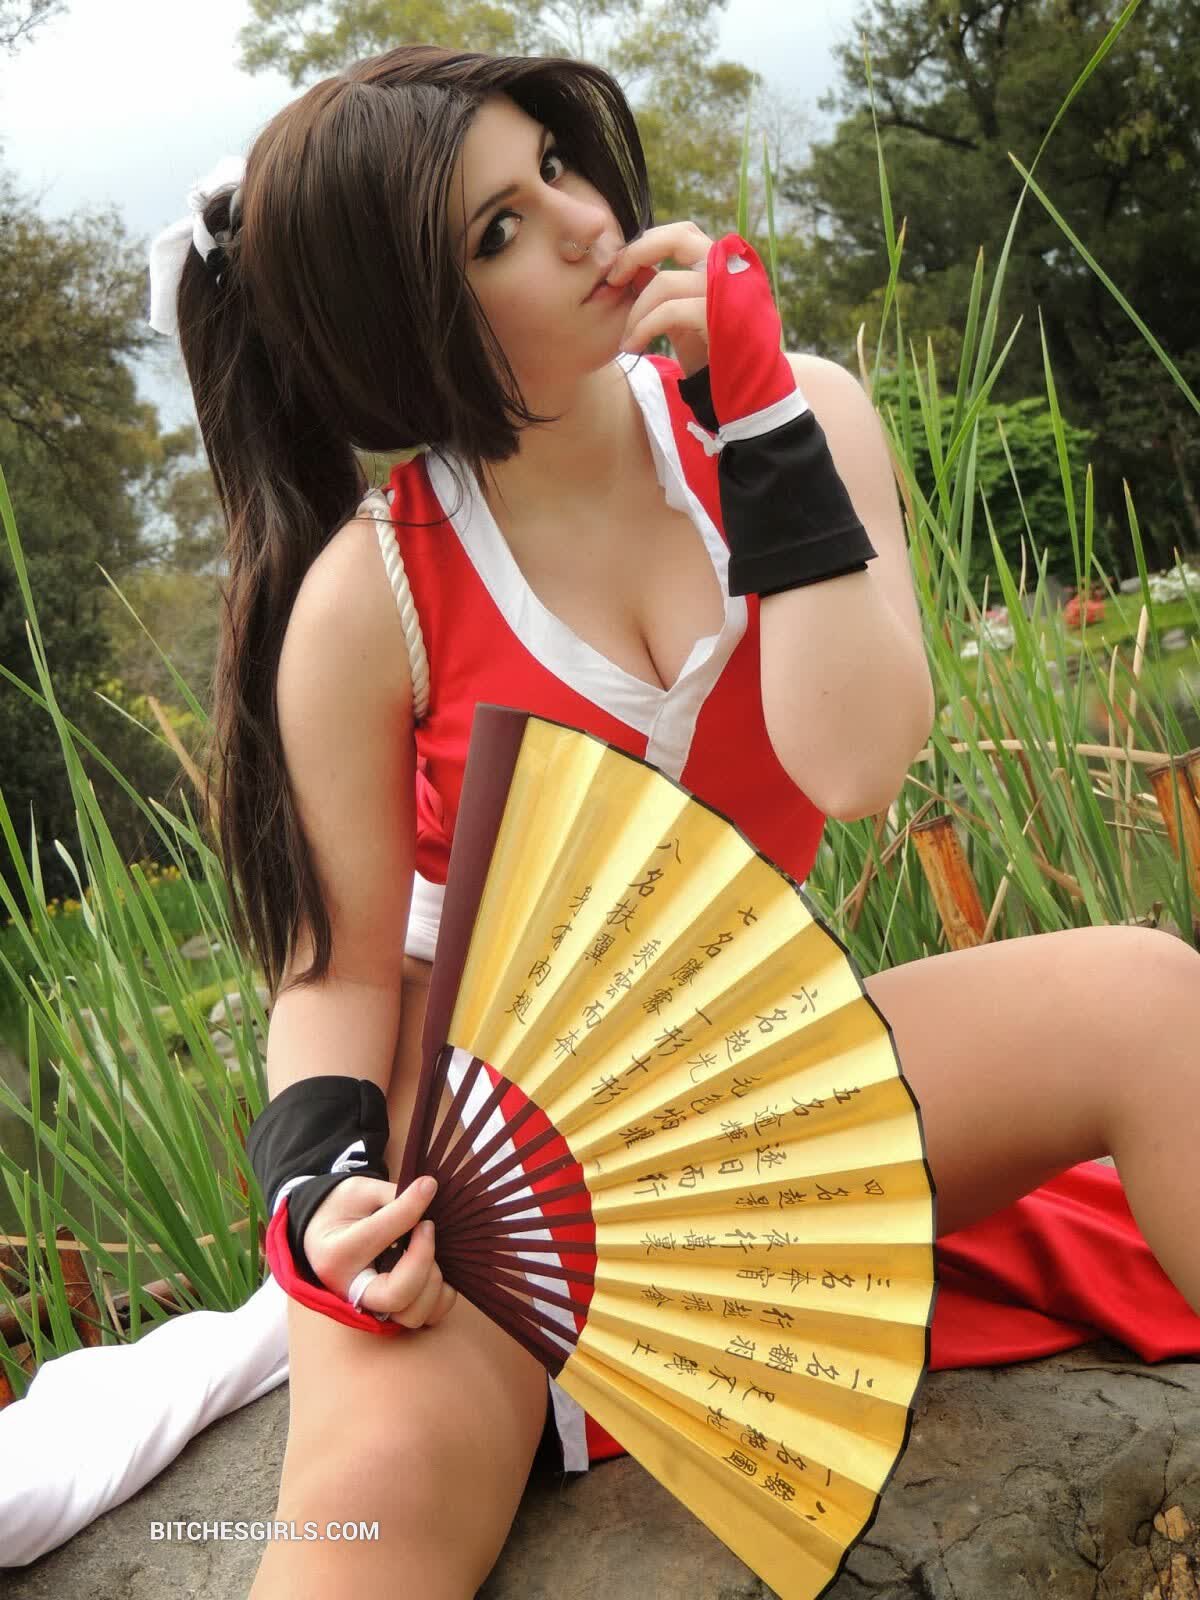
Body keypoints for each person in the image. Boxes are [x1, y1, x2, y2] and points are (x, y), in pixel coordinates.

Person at [149, 42, 1200, 1599]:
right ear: (402, 325)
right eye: (498, 231)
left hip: (750, 1097)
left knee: (1149, 1000)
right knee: (364, 1525)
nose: (584, 222)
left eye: (556, 166)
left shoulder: (799, 415)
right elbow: (337, 974)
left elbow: (856, 765)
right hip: (485, 1186)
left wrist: (759, 422)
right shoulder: (374, 596)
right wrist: (318, 1192)